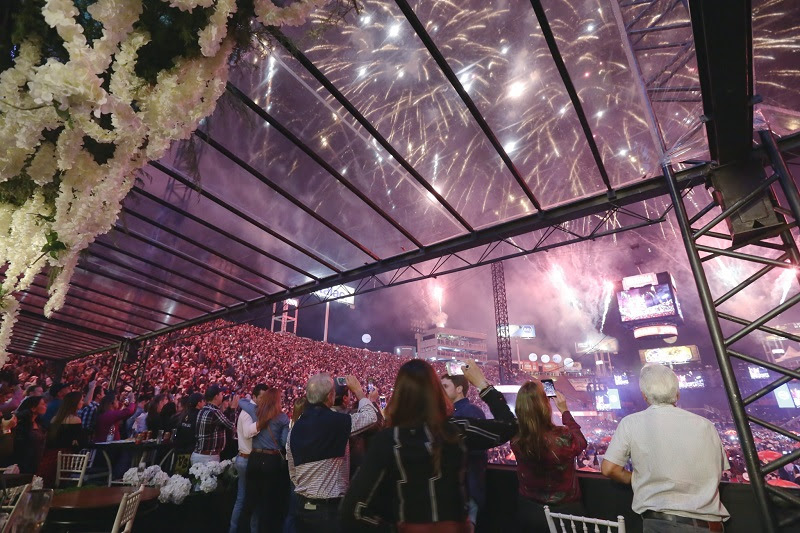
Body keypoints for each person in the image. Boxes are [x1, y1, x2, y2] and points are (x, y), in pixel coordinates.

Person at [340, 359, 517, 532]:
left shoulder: (389, 439)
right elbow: (509, 426)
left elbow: (353, 511)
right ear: (436, 393)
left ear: (400, 395)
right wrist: (482, 385)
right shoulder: (456, 429)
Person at [602, 364, 729, 532]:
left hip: (664, 525)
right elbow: (719, 471)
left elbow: (609, 469)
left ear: (644, 396)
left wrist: (639, 479)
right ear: (677, 394)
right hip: (711, 525)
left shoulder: (631, 423)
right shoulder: (706, 425)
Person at [287, 374, 379, 533]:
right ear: (330, 396)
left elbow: (292, 471)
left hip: (302, 506)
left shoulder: (295, 428)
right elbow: (371, 417)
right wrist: (358, 391)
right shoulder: (336, 422)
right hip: (327, 510)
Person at [512, 382, 587, 530]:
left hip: (528, 509)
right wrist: (564, 411)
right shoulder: (562, 436)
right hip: (564, 514)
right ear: (545, 406)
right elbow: (581, 442)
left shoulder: (516, 438)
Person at [442, 372, 487, 527]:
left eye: (445, 386)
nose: (441, 391)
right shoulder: (450, 412)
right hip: (458, 488)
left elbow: (477, 449)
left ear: (459, 389)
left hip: (468, 488)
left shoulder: (470, 412)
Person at [243, 388, 290, 533]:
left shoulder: (255, 411)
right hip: (271, 460)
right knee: (268, 502)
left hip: (254, 458)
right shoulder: (282, 418)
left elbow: (241, 401)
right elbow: (284, 442)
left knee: (251, 500)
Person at [229, 384, 267, 533]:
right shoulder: (247, 413)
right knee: (244, 498)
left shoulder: (255, 411)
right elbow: (247, 432)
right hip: (246, 460)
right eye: (262, 397)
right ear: (254, 397)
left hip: (250, 459)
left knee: (249, 498)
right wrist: (263, 422)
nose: (264, 400)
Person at [41, 391, 88, 486]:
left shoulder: (54, 419)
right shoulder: (75, 420)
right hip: (66, 457)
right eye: (81, 400)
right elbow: (80, 441)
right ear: (75, 402)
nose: (83, 402)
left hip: (50, 456)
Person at [192, 384, 235, 464]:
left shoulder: (202, 410)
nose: (222, 397)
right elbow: (232, 426)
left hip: (199, 454)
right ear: (216, 396)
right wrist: (233, 409)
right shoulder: (214, 412)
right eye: (221, 394)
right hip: (208, 457)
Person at [13, 396, 48, 474]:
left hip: (36, 460)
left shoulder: (39, 422)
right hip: (24, 461)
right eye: (42, 404)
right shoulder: (21, 423)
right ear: (33, 408)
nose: (46, 406)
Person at [173, 392, 204, 475]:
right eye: (203, 401)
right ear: (199, 403)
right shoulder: (199, 415)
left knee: (179, 473)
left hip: (180, 448)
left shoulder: (184, 414)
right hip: (191, 449)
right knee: (186, 474)